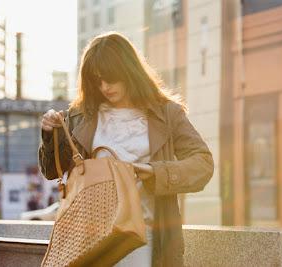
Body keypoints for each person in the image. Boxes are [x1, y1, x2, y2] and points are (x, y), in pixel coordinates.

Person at [38, 31, 214, 267]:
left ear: (129, 71)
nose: (104, 86)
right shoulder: (80, 116)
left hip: (143, 238)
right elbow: (52, 171)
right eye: (97, 80)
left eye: (110, 77)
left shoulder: (167, 113)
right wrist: (50, 135)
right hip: (88, 240)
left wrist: (154, 172)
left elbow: (202, 163)